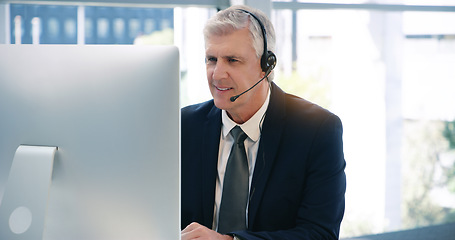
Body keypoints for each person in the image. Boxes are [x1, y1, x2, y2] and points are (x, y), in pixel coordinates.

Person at [181, 5, 346, 240]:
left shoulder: (317, 131)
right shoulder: (184, 127)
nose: (217, 74)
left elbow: (320, 233)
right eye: (211, 59)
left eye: (232, 60)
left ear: (266, 65)